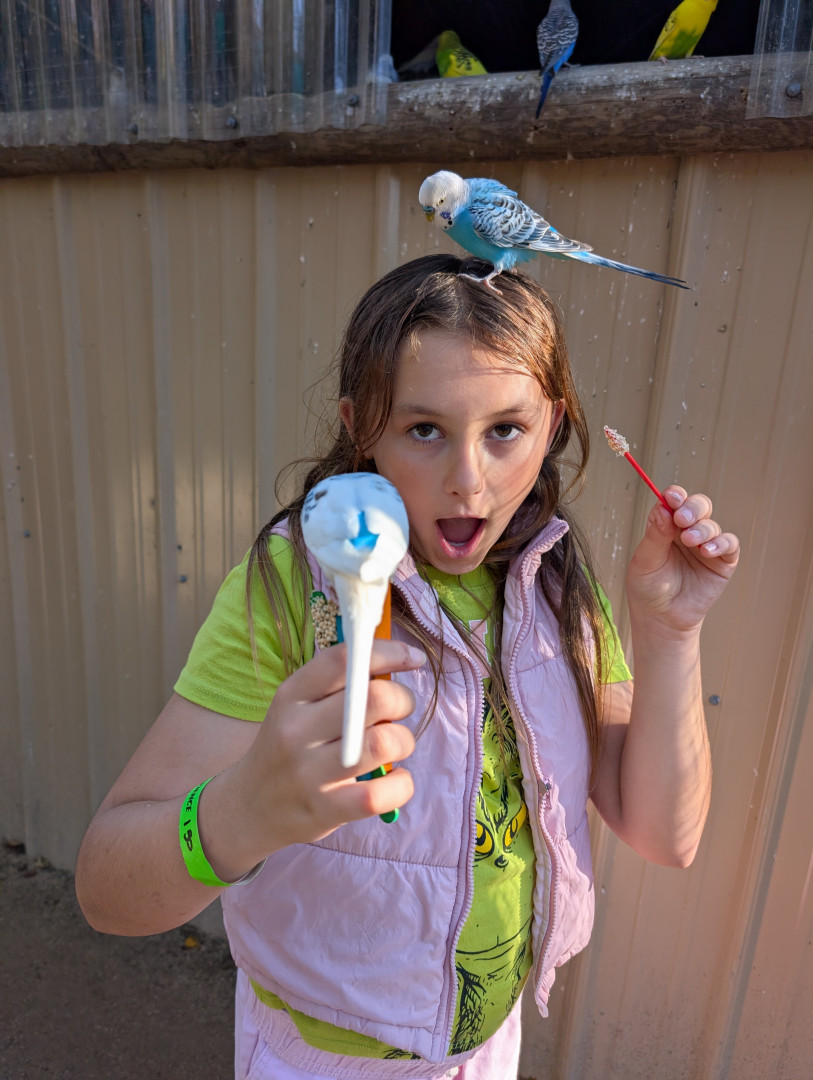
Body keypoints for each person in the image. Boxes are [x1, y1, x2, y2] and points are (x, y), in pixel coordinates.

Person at [75, 255, 740, 1080]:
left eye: (505, 430)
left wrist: (670, 631)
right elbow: (106, 889)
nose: (468, 482)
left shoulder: (554, 582)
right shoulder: (294, 583)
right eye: (424, 429)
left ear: (553, 424)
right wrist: (244, 810)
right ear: (361, 426)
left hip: (486, 1046)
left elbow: (664, 834)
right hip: (320, 1061)